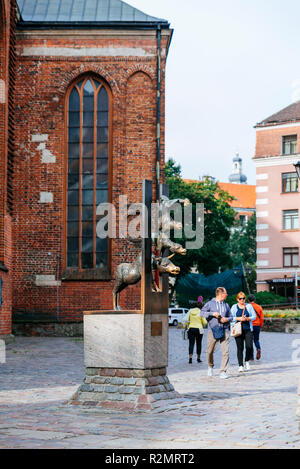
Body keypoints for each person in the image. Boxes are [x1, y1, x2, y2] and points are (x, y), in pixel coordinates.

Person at [201, 287, 233, 379]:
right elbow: (202, 313)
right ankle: (210, 366)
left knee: (225, 351)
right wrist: (212, 314)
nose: (227, 295)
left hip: (225, 329)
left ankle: (223, 371)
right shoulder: (210, 304)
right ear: (220, 294)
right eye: (225, 293)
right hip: (213, 330)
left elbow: (231, 316)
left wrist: (227, 319)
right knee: (210, 351)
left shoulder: (226, 305)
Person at [231, 292, 256, 372]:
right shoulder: (234, 307)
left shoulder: (249, 306)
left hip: (248, 329)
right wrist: (239, 318)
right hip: (238, 330)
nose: (242, 300)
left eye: (243, 298)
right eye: (240, 298)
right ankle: (241, 365)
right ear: (237, 299)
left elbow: (254, 316)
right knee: (240, 348)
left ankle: (246, 361)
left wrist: (247, 318)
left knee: (249, 346)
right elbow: (231, 317)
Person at [183, 296, 207, 364]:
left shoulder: (190, 311)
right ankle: (198, 358)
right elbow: (205, 322)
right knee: (199, 343)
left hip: (191, 329)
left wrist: (187, 325)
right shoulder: (201, 312)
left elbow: (185, 319)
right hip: (199, 329)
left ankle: (190, 358)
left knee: (191, 343)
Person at [248, 294, 264, 360]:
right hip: (257, 325)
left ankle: (251, 357)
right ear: (254, 300)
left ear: (248, 300)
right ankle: (258, 348)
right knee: (256, 340)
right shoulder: (259, 307)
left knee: (250, 341)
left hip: (250, 325)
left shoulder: (247, 307)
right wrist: (261, 325)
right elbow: (262, 318)